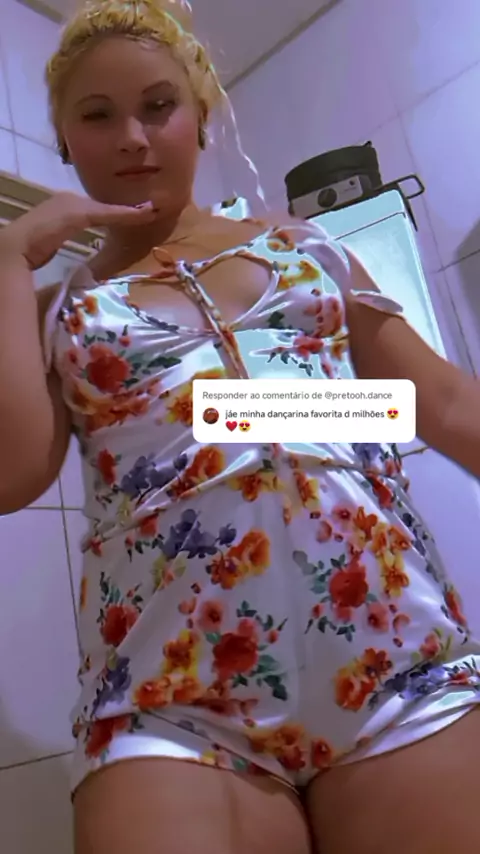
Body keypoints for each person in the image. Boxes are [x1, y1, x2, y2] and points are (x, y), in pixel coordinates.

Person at [2, 1, 480, 852]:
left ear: (200, 115)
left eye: (158, 106)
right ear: (65, 142)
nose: (133, 138)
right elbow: (10, 476)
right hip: (169, 698)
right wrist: (7, 261)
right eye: (98, 116)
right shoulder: (59, 310)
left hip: (397, 663)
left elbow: (439, 405)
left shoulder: (308, 253)